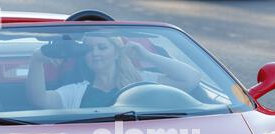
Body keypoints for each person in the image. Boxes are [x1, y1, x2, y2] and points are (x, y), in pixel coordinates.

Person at [26, 34, 201, 109]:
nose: (95, 53)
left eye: (102, 47)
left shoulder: (142, 80)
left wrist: (146, 55)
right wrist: (36, 59)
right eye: (90, 49)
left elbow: (191, 79)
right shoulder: (76, 92)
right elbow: (39, 100)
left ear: (116, 52)